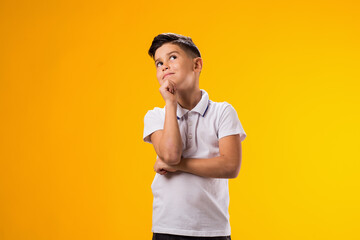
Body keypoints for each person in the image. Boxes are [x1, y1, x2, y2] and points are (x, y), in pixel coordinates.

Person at [143, 33, 247, 240]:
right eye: (159, 63)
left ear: (196, 65)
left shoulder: (223, 112)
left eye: (172, 57)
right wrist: (170, 104)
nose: (164, 66)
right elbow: (171, 155)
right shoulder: (156, 116)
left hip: (213, 229)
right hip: (168, 228)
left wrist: (178, 166)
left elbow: (230, 166)